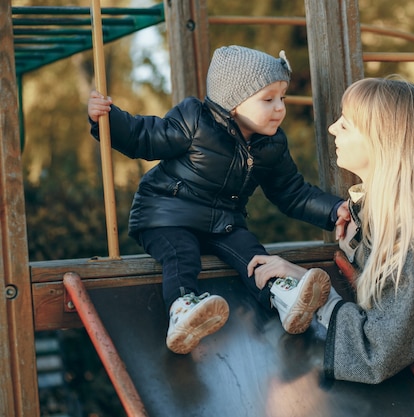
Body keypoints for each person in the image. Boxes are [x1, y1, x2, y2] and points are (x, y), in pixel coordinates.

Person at [248, 77, 414, 416]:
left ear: (381, 140)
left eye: (346, 123)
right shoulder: (401, 221)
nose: (331, 129)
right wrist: (330, 260)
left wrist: (316, 293)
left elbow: (380, 348)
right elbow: (394, 299)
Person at [87, 45, 350, 355]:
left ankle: (283, 296)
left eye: (282, 98)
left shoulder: (272, 144)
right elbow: (144, 136)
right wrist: (107, 118)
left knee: (252, 253)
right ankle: (183, 309)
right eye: (268, 99)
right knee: (181, 253)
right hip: (165, 215)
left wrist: (334, 210)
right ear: (232, 104)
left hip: (223, 222)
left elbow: (291, 192)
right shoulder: (194, 121)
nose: (279, 108)